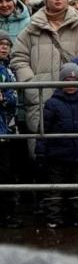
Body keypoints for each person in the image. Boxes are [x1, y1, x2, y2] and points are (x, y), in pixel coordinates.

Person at [10, 0, 78, 133]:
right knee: (43, 147)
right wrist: (31, 84)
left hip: (76, 97)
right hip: (41, 98)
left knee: (75, 147)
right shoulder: (31, 28)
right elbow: (18, 57)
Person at [36, 62, 78, 228]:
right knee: (55, 188)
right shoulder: (52, 103)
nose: (70, 85)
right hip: (57, 155)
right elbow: (43, 129)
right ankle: (54, 217)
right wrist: (41, 152)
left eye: (73, 80)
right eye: (66, 81)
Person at [0, 31, 20, 228]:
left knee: (7, 172)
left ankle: (7, 214)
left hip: (7, 128)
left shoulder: (8, 69)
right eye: (0, 44)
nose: (4, 47)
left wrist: (5, 98)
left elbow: (13, 98)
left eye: (7, 44)